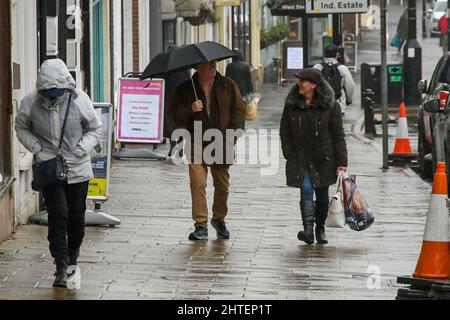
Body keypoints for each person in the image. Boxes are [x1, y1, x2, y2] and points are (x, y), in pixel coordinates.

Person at [15, 59, 102, 287]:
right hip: (49, 166)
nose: (53, 98)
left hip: (78, 166)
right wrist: (36, 147)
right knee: (58, 214)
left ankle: (73, 256)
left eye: (57, 93)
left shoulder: (78, 100)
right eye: (48, 93)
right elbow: (21, 126)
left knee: (76, 216)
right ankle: (60, 265)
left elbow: (95, 128)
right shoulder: (31, 102)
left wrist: (81, 149)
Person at [170, 61, 245, 241]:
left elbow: (238, 112)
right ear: (197, 67)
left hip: (221, 141)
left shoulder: (227, 85)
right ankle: (201, 225)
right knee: (198, 182)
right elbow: (174, 115)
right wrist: (190, 109)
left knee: (222, 185)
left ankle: (219, 219)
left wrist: (231, 137)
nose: (212, 68)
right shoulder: (186, 89)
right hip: (195, 141)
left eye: (214, 65)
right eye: (208, 66)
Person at [280, 68, 348, 245]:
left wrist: (341, 162)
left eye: (304, 81)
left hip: (324, 158)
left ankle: (320, 228)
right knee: (307, 190)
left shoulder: (331, 106)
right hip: (301, 157)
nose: (300, 84)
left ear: (314, 85)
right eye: (299, 81)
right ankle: (308, 231)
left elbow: (338, 135)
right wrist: (289, 153)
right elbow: (284, 131)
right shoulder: (292, 105)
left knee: (323, 197)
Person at [162, 46, 191, 158]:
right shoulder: (184, 67)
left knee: (171, 124)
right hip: (182, 100)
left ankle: (174, 146)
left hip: (169, 100)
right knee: (181, 124)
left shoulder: (165, 68)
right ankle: (178, 146)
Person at [313, 45, 355, 115]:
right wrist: (349, 100)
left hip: (320, 105)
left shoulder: (317, 67)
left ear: (325, 54)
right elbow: (350, 86)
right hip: (338, 104)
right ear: (337, 54)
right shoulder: (342, 68)